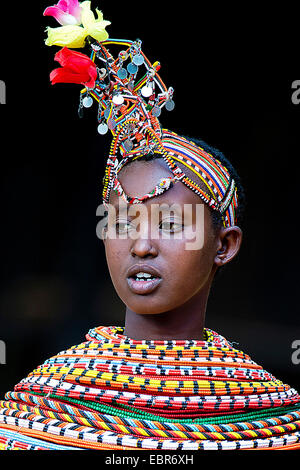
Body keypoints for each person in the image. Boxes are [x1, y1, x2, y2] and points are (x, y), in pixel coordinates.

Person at [0, 2, 299, 451]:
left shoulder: (274, 417)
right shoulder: (40, 405)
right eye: (121, 222)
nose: (141, 246)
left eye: (173, 223)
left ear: (225, 245)